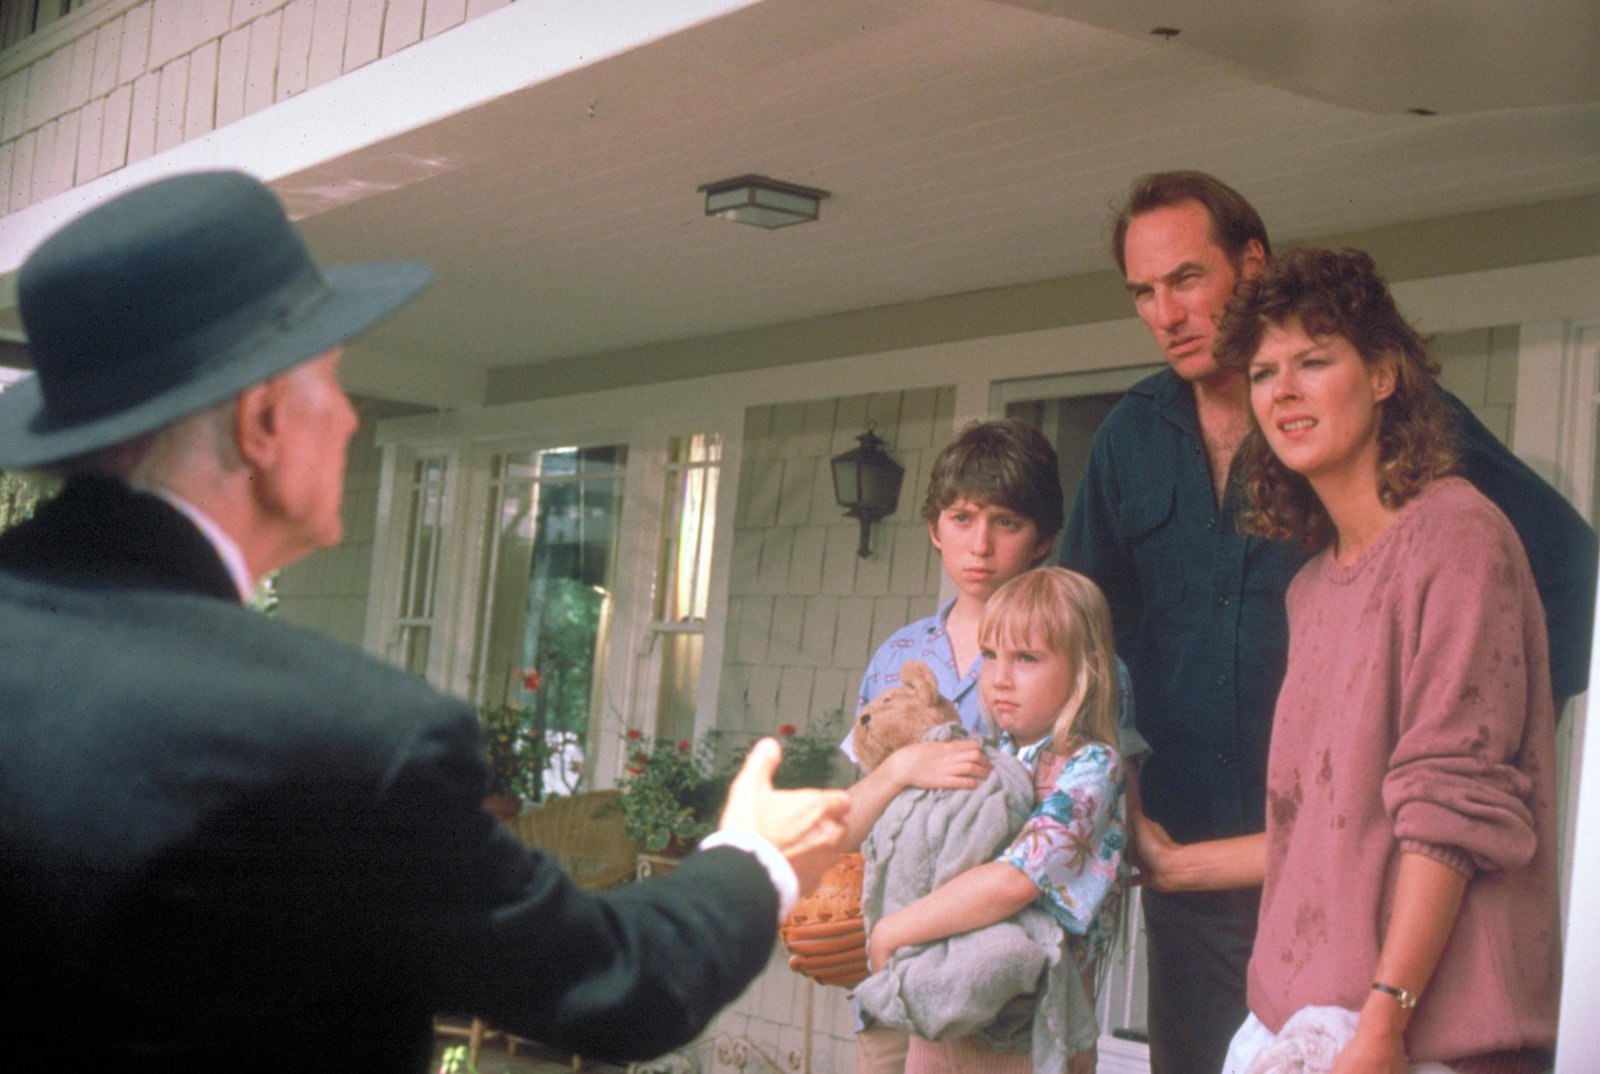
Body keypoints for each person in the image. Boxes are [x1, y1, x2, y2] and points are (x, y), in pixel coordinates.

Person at [0, 170, 851, 1074]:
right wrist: (756, 856)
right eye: (331, 378)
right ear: (262, 421)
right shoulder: (343, 738)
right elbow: (616, 985)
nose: (350, 417)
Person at [1061, 171, 1593, 1074]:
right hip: (1210, 870)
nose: (1166, 313)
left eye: (1186, 278)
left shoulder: (1434, 500)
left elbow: (1563, 573)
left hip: (1395, 891)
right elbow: (1084, 635)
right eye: (1143, 293)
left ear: (1250, 265)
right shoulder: (1140, 444)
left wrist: (1491, 739)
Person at [865, 567, 1126, 1074]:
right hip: (944, 1012)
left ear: (1085, 668)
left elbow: (1015, 881)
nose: (1000, 677)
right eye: (989, 655)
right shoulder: (987, 754)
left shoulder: (1091, 767)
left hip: (1031, 1034)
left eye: (1026, 658)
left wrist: (893, 930)